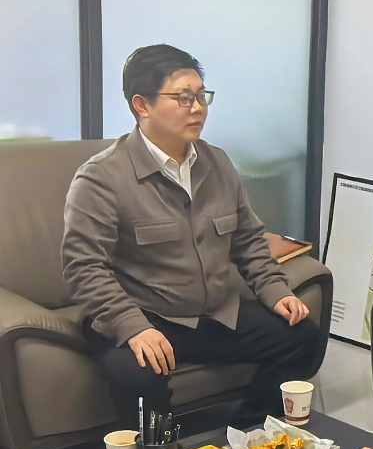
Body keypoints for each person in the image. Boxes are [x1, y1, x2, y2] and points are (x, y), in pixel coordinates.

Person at [63, 44, 322, 429]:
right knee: (140, 373)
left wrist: (275, 289)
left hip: (215, 314)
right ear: (142, 105)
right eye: (183, 98)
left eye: (202, 96)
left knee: (303, 337)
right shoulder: (101, 178)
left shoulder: (217, 162)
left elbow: (249, 240)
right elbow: (84, 268)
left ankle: (249, 434)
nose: (198, 108)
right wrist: (134, 327)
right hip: (144, 313)